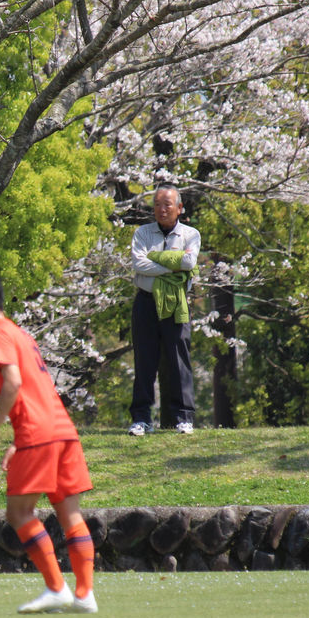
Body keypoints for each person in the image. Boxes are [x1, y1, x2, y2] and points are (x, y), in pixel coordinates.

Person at [0, 272, 97, 614]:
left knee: (19, 512)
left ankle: (56, 588)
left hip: (38, 432)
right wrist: (18, 442)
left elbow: (14, 383)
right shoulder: (21, 334)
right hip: (62, 430)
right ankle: (85, 594)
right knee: (70, 513)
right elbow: (37, 388)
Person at [128, 185, 201, 435]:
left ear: (179, 208)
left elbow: (189, 262)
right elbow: (139, 263)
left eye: (167, 204)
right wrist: (173, 264)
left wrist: (156, 259)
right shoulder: (142, 233)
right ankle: (141, 418)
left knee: (179, 359)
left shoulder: (190, 234)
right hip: (146, 302)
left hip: (176, 301)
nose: (162, 209)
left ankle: (184, 417)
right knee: (144, 360)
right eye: (157, 204)